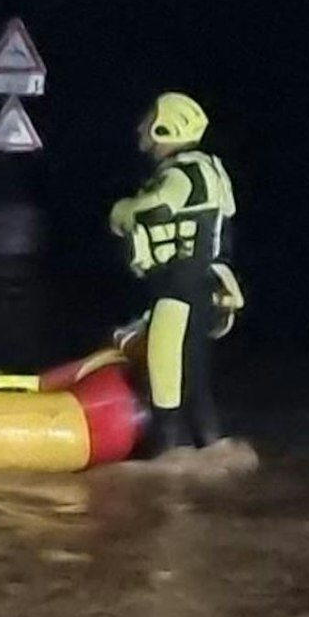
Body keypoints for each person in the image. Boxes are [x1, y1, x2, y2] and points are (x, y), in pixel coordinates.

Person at [108, 91, 239, 454]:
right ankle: (214, 453)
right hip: (201, 289)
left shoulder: (183, 174)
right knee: (195, 382)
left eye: (149, 121)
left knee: (165, 383)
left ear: (167, 127)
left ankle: (167, 465)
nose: (141, 128)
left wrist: (121, 211)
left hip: (179, 291)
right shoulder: (209, 169)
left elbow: (153, 210)